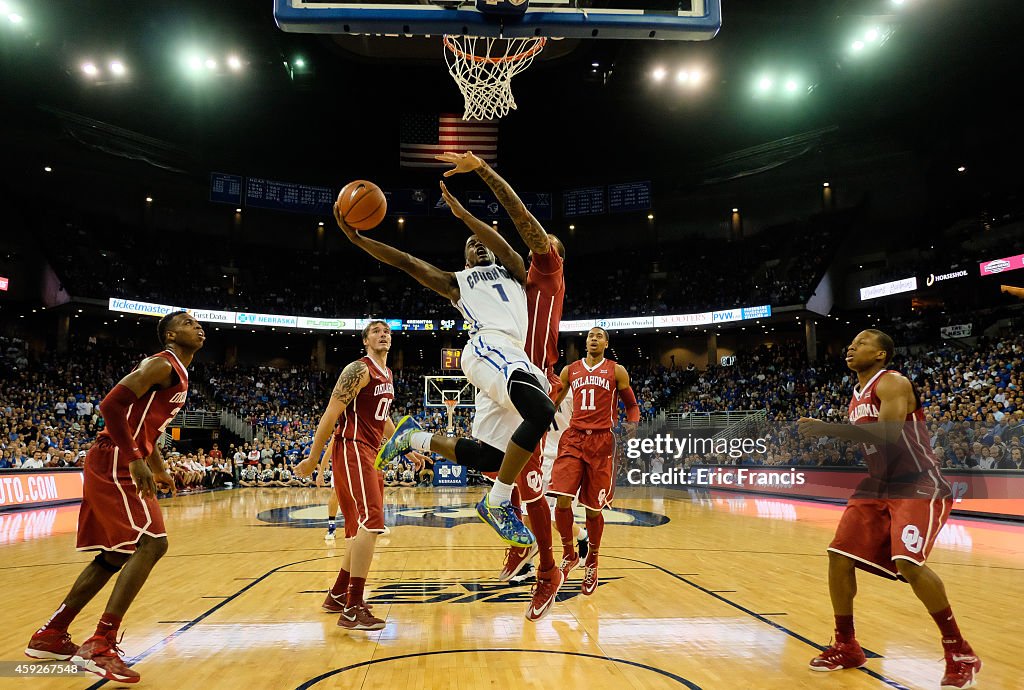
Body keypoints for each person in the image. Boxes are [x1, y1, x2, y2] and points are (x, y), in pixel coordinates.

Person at [336, 175, 555, 552]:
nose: (478, 246)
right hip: (488, 346)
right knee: (542, 409)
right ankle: (497, 502)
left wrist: (467, 217)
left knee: (492, 456)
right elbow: (406, 262)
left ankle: (413, 436)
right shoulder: (458, 282)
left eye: (481, 242)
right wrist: (360, 240)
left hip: (512, 357)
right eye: (471, 246)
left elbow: (500, 243)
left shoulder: (514, 269)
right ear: (465, 258)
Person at [24, 311, 205, 684]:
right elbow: (110, 407)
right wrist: (138, 459)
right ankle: (101, 644)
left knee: (117, 553)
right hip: (115, 458)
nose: (198, 326)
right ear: (170, 334)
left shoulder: (180, 372)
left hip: (125, 456)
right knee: (153, 544)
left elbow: (145, 428)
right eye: (188, 322)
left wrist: (157, 465)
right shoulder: (160, 364)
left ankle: (51, 635)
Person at [798, 329, 981, 689]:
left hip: (917, 482)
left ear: (882, 355)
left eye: (862, 343)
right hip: (878, 485)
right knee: (838, 556)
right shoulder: (856, 394)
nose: (852, 346)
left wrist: (828, 429)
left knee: (908, 562)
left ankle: (959, 651)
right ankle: (847, 645)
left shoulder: (892, 382)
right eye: (850, 342)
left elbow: (889, 435)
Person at [294, 321, 426, 631]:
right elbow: (330, 414)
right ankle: (353, 607)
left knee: (358, 528)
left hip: (370, 452)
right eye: (377, 331)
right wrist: (314, 459)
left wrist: (405, 449)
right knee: (372, 521)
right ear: (365, 340)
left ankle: (338, 595)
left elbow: (384, 421)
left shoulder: (387, 374)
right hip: (352, 449)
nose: (383, 334)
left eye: (387, 331)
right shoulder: (358, 369)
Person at [550, 327, 639, 597]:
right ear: (585, 341)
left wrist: (633, 423)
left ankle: (593, 562)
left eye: (599, 336)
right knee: (561, 499)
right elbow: (554, 402)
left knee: (593, 509)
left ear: (606, 343)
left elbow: (631, 405)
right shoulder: (570, 370)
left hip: (602, 443)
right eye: (590, 335)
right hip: (574, 438)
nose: (594, 339)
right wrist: (537, 422)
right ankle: (568, 552)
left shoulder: (616, 370)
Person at [316, 436, 341, 543]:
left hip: (357, 467)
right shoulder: (339, 432)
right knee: (335, 494)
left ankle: (370, 524)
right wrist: (320, 473)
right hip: (340, 467)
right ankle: (331, 527)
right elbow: (327, 453)